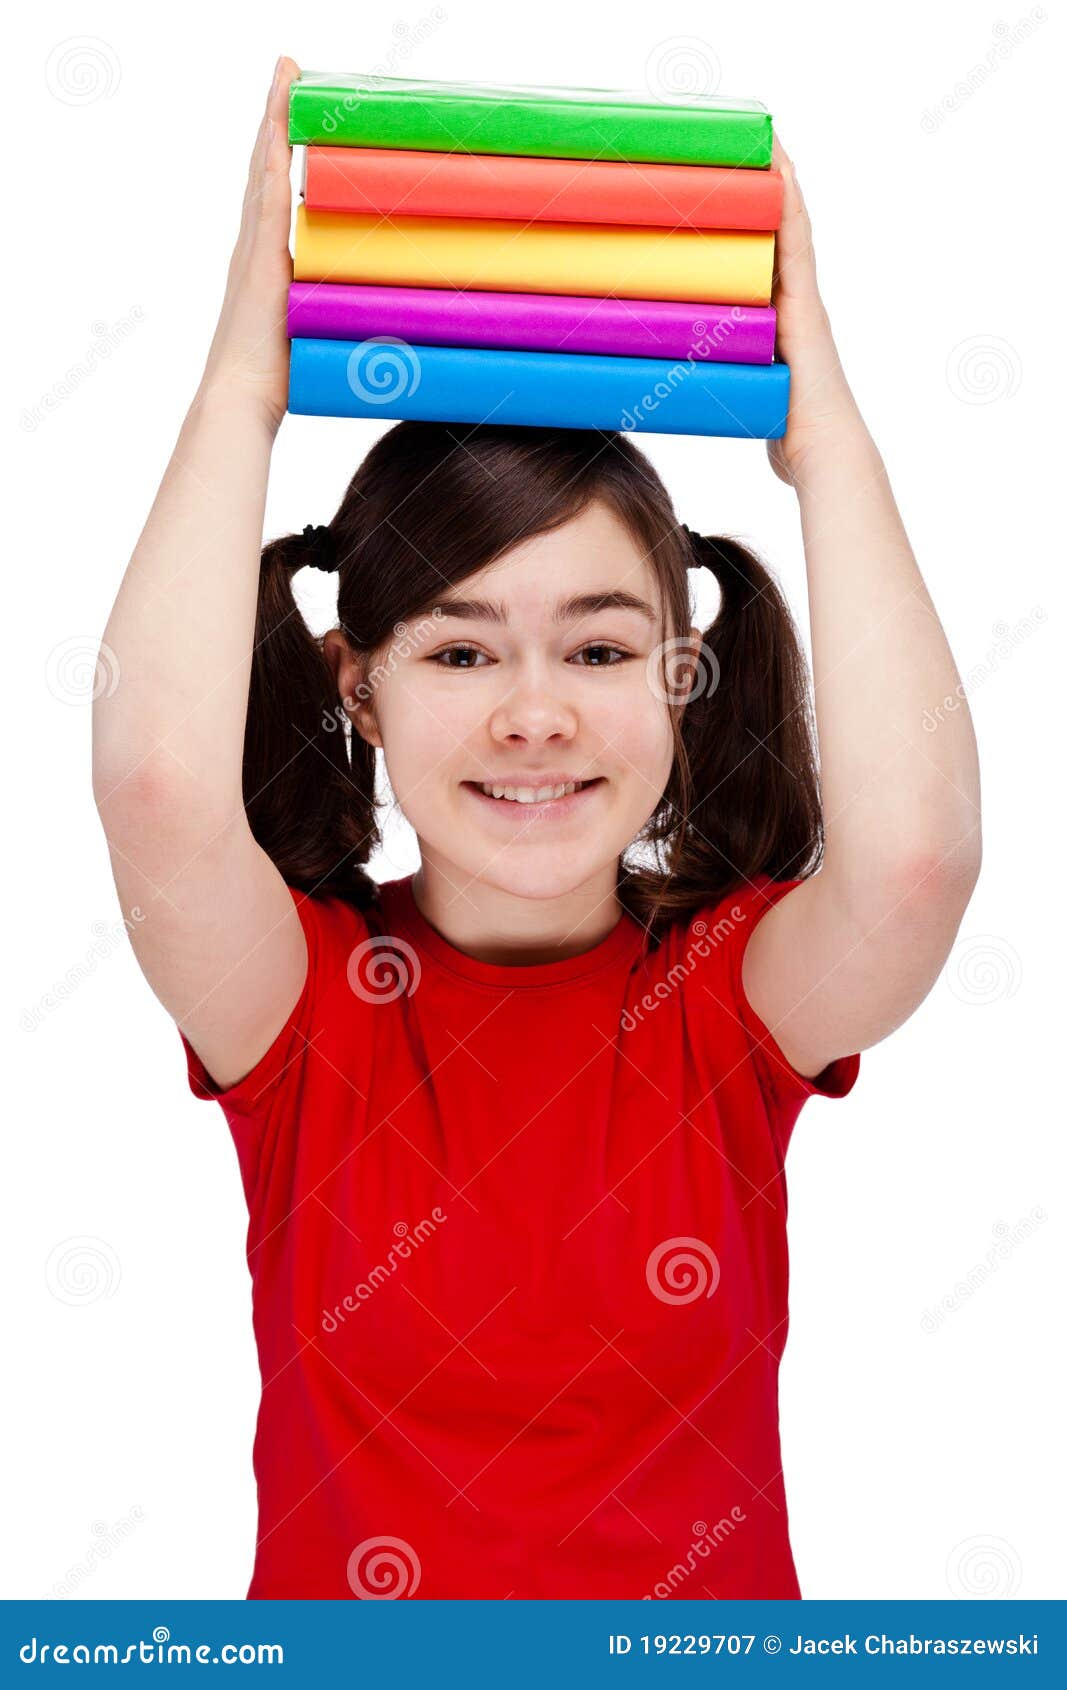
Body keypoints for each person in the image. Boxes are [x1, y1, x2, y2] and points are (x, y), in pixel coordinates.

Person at [91, 58, 981, 1600]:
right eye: (459, 651)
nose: (535, 713)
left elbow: (914, 863)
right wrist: (243, 384)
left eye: (599, 647)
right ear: (358, 686)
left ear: (683, 677)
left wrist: (825, 434)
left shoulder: (726, 1002)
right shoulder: (305, 1010)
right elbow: (161, 785)